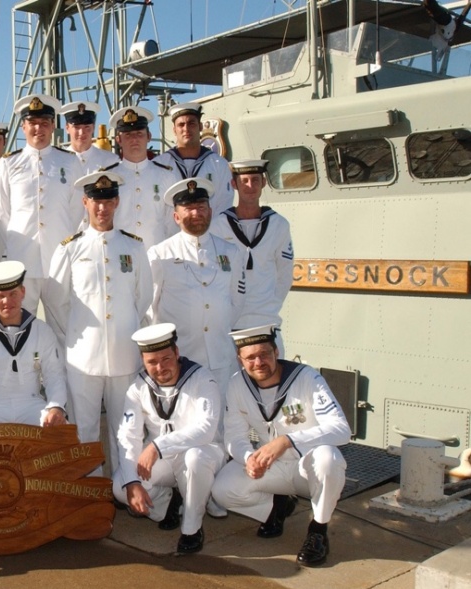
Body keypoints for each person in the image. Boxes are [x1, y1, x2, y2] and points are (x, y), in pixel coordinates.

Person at [212, 325, 350, 567]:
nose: (258, 362)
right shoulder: (237, 385)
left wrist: (287, 441)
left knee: (329, 458)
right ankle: (276, 507)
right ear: (240, 359)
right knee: (222, 490)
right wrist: (248, 458)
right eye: (250, 357)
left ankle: (317, 530)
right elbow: (234, 436)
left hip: (307, 466)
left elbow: (342, 429)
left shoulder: (307, 378)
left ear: (276, 351)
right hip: (272, 467)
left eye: (264, 354)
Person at [43, 171, 151, 473]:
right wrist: (77, 332)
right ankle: (91, 495)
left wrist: (123, 329)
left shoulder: (134, 248)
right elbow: (55, 299)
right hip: (83, 357)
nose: (101, 208)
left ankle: (125, 486)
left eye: (107, 201)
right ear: (85, 202)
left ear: (116, 202)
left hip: (124, 354)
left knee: (126, 431)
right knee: (84, 431)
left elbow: (143, 298)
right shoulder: (70, 247)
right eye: (95, 202)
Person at [113, 323, 225, 555]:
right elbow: (128, 435)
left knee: (194, 458)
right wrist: (133, 484)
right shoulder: (138, 387)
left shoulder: (202, 379)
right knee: (120, 487)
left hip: (203, 452)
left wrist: (157, 446)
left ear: (176, 352)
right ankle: (169, 504)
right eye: (152, 362)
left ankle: (192, 529)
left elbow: (205, 429)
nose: (160, 367)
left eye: (165, 359)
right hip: (163, 458)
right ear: (143, 360)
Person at [148, 178, 246, 399]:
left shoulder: (230, 252)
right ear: (176, 216)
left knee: (220, 424)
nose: (196, 213)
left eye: (201, 207)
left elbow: (236, 301)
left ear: (210, 211)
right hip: (181, 356)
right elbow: (150, 307)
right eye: (188, 208)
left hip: (219, 355)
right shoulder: (160, 254)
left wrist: (217, 324)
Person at [0, 94, 86, 311]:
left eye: (44, 123)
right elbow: (1, 212)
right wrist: (17, 240)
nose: (38, 129)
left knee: (63, 322)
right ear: (23, 127)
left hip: (59, 255)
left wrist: (62, 236)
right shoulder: (9, 163)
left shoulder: (70, 162)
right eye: (32, 123)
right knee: (22, 319)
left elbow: (76, 208)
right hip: (22, 256)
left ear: (53, 126)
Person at [0, 260, 68, 431]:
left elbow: (54, 375)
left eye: (13, 294)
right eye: (0, 296)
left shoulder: (41, 330)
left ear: (23, 292)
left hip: (30, 404)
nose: (7, 301)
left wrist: (56, 406)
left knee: (62, 432)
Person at [209, 159, 294, 355]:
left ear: (264, 183)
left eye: (255, 180)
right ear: (234, 185)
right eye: (244, 181)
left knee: (270, 381)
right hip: (229, 324)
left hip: (266, 322)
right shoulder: (218, 226)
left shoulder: (278, 225)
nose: (250, 186)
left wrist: (268, 304)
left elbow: (285, 274)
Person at [104, 106, 181, 247]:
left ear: (149, 137)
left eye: (139, 134)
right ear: (118, 140)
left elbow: (173, 224)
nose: (134, 139)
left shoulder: (166, 176)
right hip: (120, 256)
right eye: (128, 135)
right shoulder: (109, 178)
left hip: (156, 256)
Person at [154, 103, 233, 217]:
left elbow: (224, 206)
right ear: (174, 130)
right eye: (181, 125)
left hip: (208, 232)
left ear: (200, 126)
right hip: (171, 234)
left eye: (191, 123)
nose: (186, 129)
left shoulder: (219, 164)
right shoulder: (159, 165)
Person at [59, 101, 119, 174]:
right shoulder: (58, 161)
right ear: (67, 128)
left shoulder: (111, 161)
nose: (81, 132)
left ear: (93, 127)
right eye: (76, 127)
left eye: (87, 127)